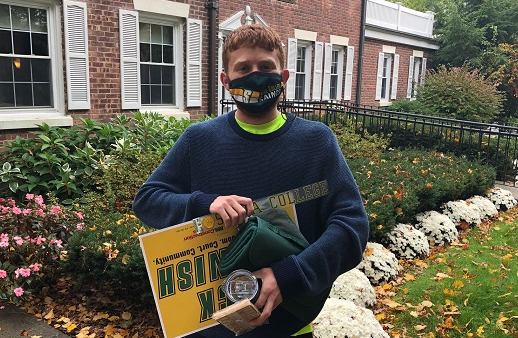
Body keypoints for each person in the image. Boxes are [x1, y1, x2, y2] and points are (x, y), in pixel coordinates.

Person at [132, 24, 369, 338]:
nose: (255, 75)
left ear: (283, 78)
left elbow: (351, 225)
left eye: (266, 67)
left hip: (289, 322)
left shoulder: (316, 142)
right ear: (226, 81)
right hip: (211, 326)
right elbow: (147, 200)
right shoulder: (199, 140)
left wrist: (289, 275)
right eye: (243, 68)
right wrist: (204, 202)